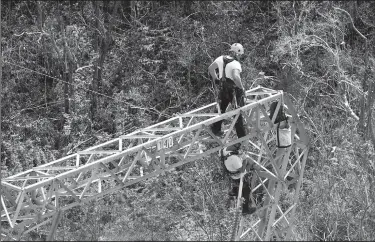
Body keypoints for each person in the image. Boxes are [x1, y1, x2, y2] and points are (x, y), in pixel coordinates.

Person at [208, 43, 246, 139]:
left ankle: (215, 130)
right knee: (238, 112)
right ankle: (241, 136)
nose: (240, 57)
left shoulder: (220, 58)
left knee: (221, 109)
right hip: (234, 91)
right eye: (240, 55)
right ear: (237, 53)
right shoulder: (235, 64)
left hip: (223, 89)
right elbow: (236, 77)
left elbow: (211, 69)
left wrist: (216, 79)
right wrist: (242, 88)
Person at [220, 146, 257, 215]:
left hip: (235, 175)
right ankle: (244, 209)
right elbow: (242, 169)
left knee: (241, 190)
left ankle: (241, 206)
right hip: (237, 176)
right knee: (245, 191)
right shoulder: (232, 157)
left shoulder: (226, 155)